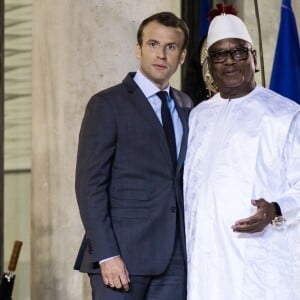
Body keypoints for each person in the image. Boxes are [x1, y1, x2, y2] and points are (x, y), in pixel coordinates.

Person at [74, 11, 192, 300]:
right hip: (121, 257)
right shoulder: (107, 105)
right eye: (153, 44)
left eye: (171, 47)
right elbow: (90, 186)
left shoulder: (187, 106)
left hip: (175, 261)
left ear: (183, 56)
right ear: (138, 49)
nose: (161, 54)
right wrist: (107, 254)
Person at [184, 11, 300, 300]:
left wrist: (274, 208)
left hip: (261, 259)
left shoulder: (286, 114)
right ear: (210, 64)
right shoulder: (198, 116)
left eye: (238, 51)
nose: (230, 61)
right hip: (207, 262)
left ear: (254, 57)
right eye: (219, 55)